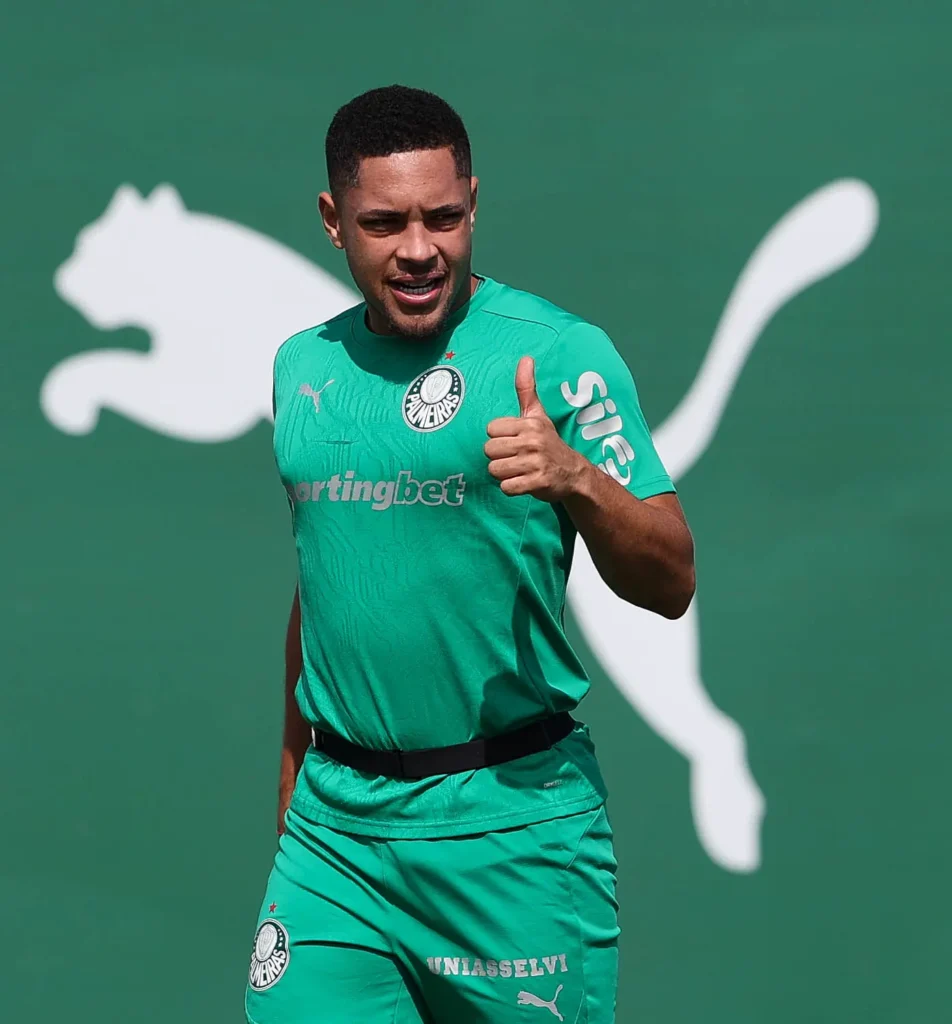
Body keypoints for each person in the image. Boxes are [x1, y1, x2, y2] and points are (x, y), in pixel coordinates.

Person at [246, 84, 695, 1024]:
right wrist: (295, 784)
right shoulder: (300, 366)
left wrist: (578, 479)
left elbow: (672, 578)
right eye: (385, 223)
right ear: (333, 221)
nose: (419, 249)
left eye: (443, 217)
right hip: (335, 839)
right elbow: (324, 584)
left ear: (475, 204)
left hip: (511, 832)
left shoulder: (558, 354)